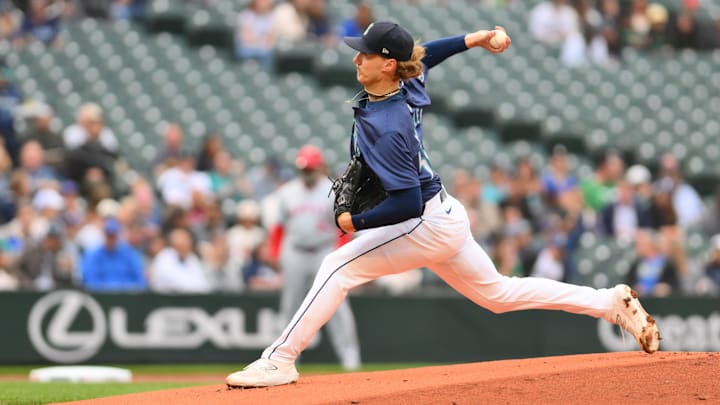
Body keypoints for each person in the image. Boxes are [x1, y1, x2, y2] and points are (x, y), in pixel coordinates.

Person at [225, 21, 659, 388]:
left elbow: (408, 203)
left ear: (387, 64)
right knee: (500, 294)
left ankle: (280, 358)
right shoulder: (406, 79)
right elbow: (425, 54)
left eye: (366, 54)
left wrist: (354, 220)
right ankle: (608, 304)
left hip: (424, 220)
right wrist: (476, 37)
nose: (357, 59)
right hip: (445, 216)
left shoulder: (389, 125)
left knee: (337, 268)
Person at [267, 145, 361, 371]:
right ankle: (285, 360)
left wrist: (340, 254)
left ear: (319, 168)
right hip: (295, 252)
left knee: (337, 305)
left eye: (310, 169)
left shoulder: (331, 190)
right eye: (303, 169)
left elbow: (344, 226)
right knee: (290, 307)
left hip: (323, 251)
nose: (307, 173)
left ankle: (350, 358)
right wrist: (275, 252)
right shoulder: (287, 192)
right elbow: (279, 227)